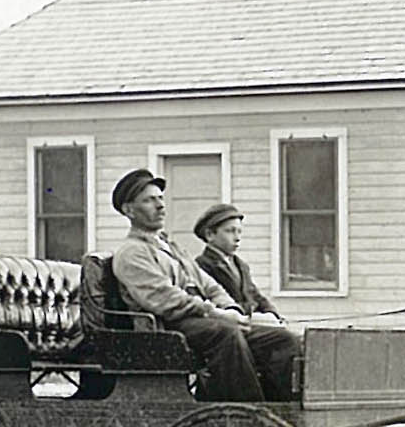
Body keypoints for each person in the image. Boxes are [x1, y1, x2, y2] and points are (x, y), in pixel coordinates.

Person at [109, 169, 299, 402]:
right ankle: (247, 414)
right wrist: (216, 313)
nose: (160, 206)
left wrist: (231, 309)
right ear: (129, 210)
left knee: (283, 340)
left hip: (199, 320)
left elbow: (210, 285)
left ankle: (282, 411)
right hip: (165, 327)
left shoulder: (172, 247)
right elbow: (166, 299)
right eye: (149, 200)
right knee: (226, 334)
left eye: (160, 199)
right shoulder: (131, 253)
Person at [193, 203, 285, 327]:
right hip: (232, 325)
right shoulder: (203, 266)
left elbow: (256, 296)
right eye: (230, 231)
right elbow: (218, 304)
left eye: (239, 231)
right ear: (210, 235)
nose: (237, 238)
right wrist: (253, 316)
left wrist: (273, 314)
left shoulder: (240, 265)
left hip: (254, 322)